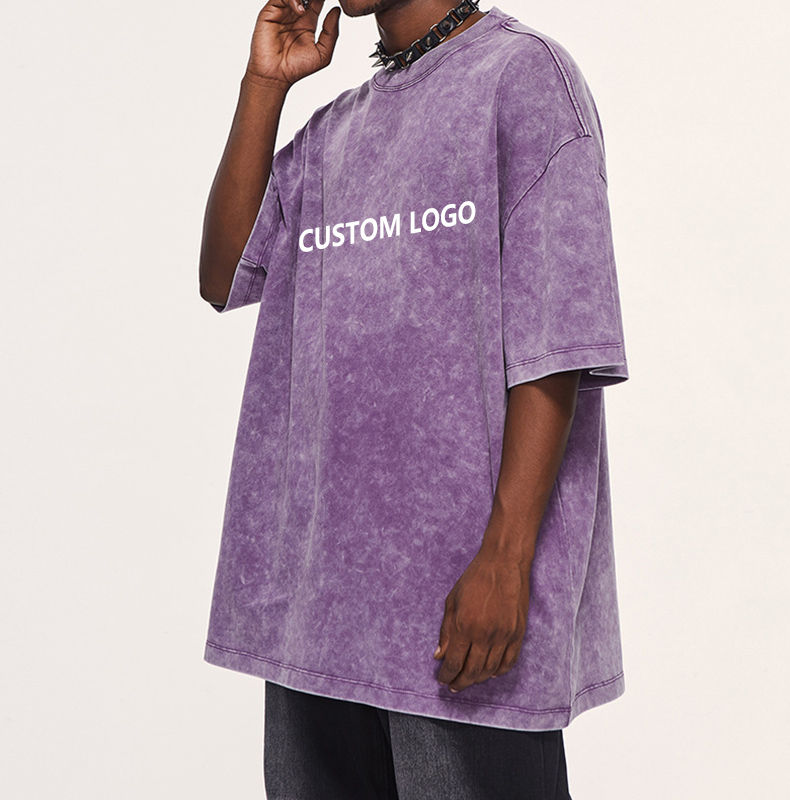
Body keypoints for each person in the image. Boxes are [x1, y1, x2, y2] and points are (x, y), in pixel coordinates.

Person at [198, 1, 630, 797]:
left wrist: (507, 559)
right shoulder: (334, 132)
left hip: (462, 623)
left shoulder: (521, 78)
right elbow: (224, 274)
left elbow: (559, 339)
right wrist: (264, 86)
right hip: (316, 621)